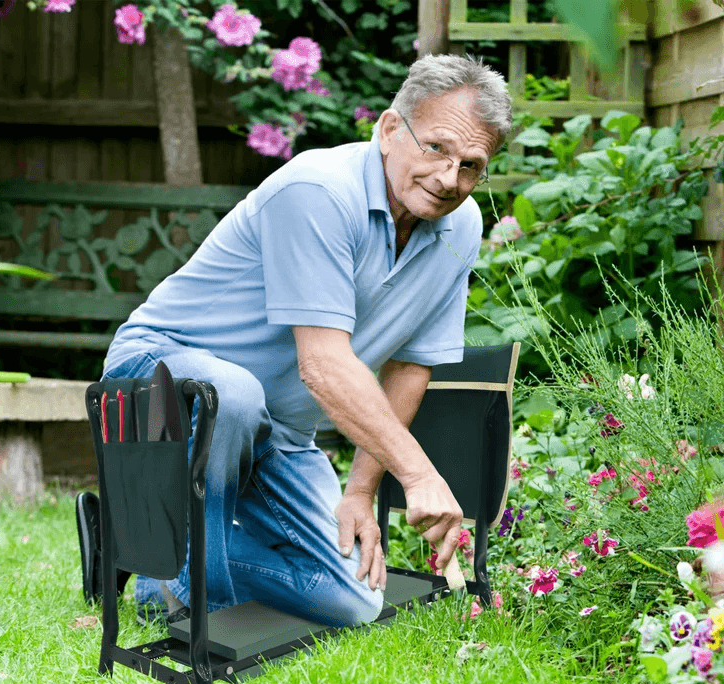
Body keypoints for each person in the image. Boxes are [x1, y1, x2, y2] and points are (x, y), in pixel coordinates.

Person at [95, 53, 512, 628]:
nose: (448, 179)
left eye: (471, 165)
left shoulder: (459, 227)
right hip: (158, 378)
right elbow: (322, 364)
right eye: (437, 148)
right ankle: (194, 600)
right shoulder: (318, 190)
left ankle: (148, 563)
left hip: (277, 428)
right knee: (231, 394)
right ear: (391, 130)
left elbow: (412, 365)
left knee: (352, 600)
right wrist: (418, 475)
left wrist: (361, 491)